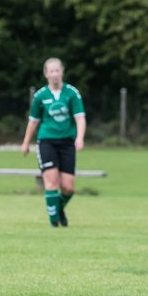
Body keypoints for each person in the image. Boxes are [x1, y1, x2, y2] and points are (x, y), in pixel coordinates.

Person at [20, 58, 86, 227]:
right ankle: (54, 222)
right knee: (51, 182)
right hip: (46, 141)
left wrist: (79, 137)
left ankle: (58, 209)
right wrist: (26, 143)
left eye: (57, 70)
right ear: (46, 74)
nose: (55, 74)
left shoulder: (72, 93)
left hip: (67, 142)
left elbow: (80, 118)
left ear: (62, 72)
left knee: (68, 188)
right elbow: (33, 120)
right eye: (51, 71)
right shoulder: (40, 96)